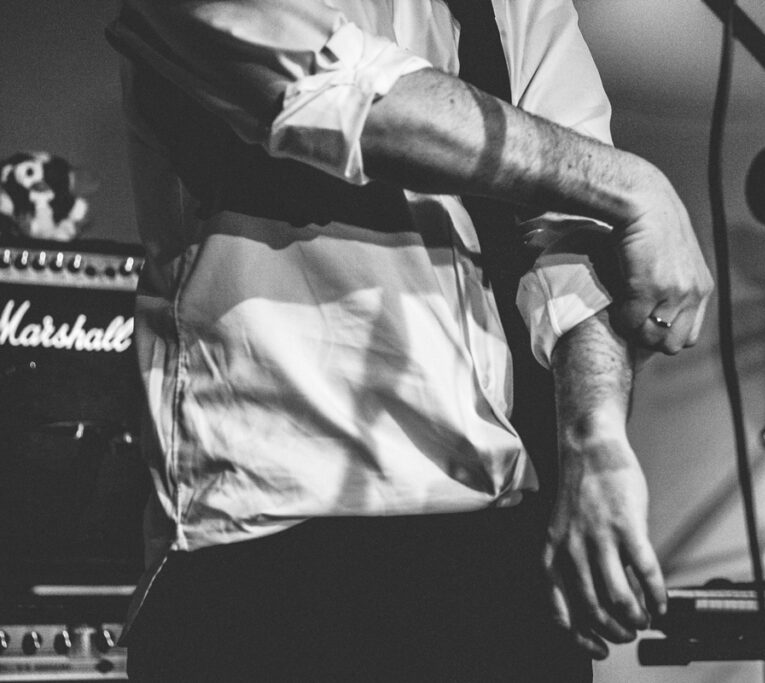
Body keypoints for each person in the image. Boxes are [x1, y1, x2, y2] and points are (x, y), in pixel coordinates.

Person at [106, 1, 714, 680]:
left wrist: (593, 437)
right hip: (271, 535)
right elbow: (339, 91)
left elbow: (576, 218)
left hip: (490, 541)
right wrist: (633, 182)